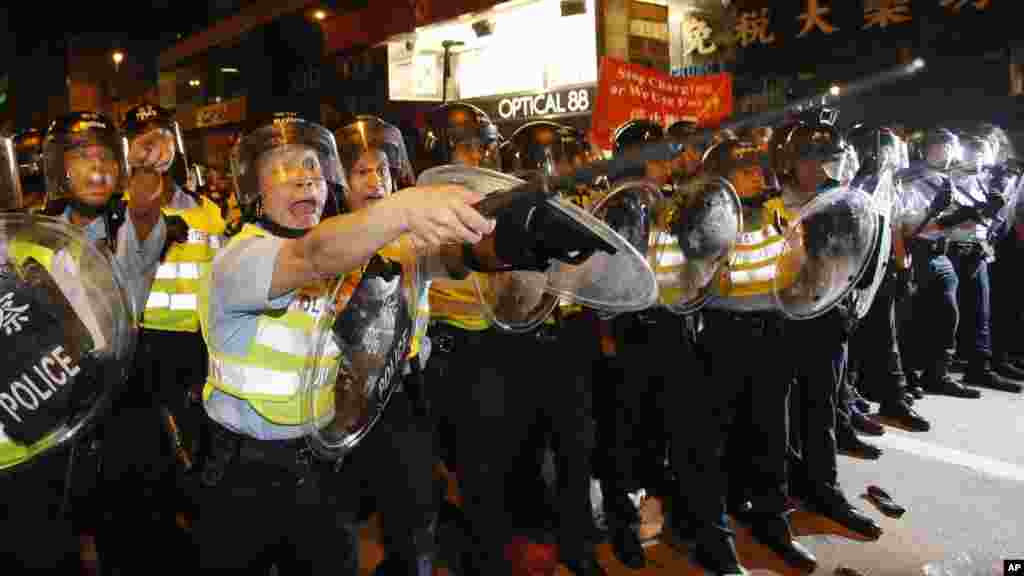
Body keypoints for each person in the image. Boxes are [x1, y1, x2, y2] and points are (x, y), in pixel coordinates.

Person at [1, 110, 167, 571]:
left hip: (126, 403)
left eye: (106, 158)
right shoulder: (31, 235)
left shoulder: (126, 227)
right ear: (59, 169)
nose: (97, 168)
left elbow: (146, 207)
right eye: (82, 157)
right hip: (58, 406)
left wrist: (148, 169)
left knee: (134, 538)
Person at [96, 104, 227, 574]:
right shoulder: (115, 209)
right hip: (137, 355)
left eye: (161, 135)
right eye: (141, 138)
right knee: (135, 476)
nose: (154, 146)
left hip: (195, 353)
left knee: (190, 471)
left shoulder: (207, 210)